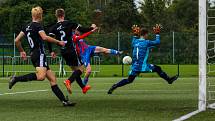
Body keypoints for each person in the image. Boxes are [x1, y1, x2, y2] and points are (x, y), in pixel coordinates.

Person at [9, 6, 75, 106]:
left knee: (53, 79)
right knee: (41, 77)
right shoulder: (38, 26)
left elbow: (16, 40)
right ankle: (16, 79)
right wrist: (58, 42)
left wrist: (22, 51)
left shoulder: (27, 27)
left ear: (32, 15)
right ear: (40, 15)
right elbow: (44, 37)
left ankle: (64, 101)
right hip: (39, 54)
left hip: (34, 54)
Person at [107, 24, 179, 94]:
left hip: (135, 65)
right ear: (145, 34)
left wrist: (135, 34)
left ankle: (115, 86)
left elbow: (135, 41)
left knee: (129, 80)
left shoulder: (135, 42)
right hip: (142, 66)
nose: (147, 36)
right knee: (158, 68)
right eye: (147, 34)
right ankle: (169, 80)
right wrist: (157, 33)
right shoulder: (146, 42)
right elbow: (157, 42)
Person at [48, 8, 95, 94]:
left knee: (75, 70)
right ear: (64, 15)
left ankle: (83, 87)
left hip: (63, 52)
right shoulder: (69, 23)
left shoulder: (53, 28)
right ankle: (68, 81)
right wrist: (91, 28)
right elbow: (82, 29)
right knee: (81, 69)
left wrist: (51, 51)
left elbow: (49, 40)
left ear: (56, 16)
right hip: (71, 50)